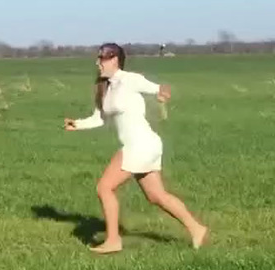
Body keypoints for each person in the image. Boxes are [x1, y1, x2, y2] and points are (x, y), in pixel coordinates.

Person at [64, 42, 208, 253]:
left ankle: (113, 240)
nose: (98, 63)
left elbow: (160, 88)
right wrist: (76, 124)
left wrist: (162, 95)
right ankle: (197, 229)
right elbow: (100, 118)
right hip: (143, 144)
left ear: (114, 60)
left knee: (104, 187)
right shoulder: (106, 87)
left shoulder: (130, 80)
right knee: (156, 196)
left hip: (140, 143)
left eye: (101, 58)